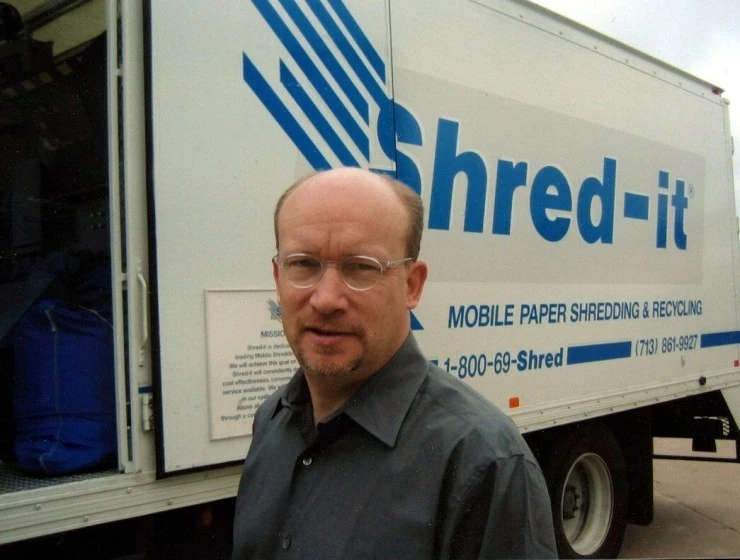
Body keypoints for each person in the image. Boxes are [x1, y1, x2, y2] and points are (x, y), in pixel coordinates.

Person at [231, 167, 557, 559]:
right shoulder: (271, 421)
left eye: (361, 267)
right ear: (277, 276)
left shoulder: (484, 462)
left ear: (412, 285)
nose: (326, 298)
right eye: (303, 264)